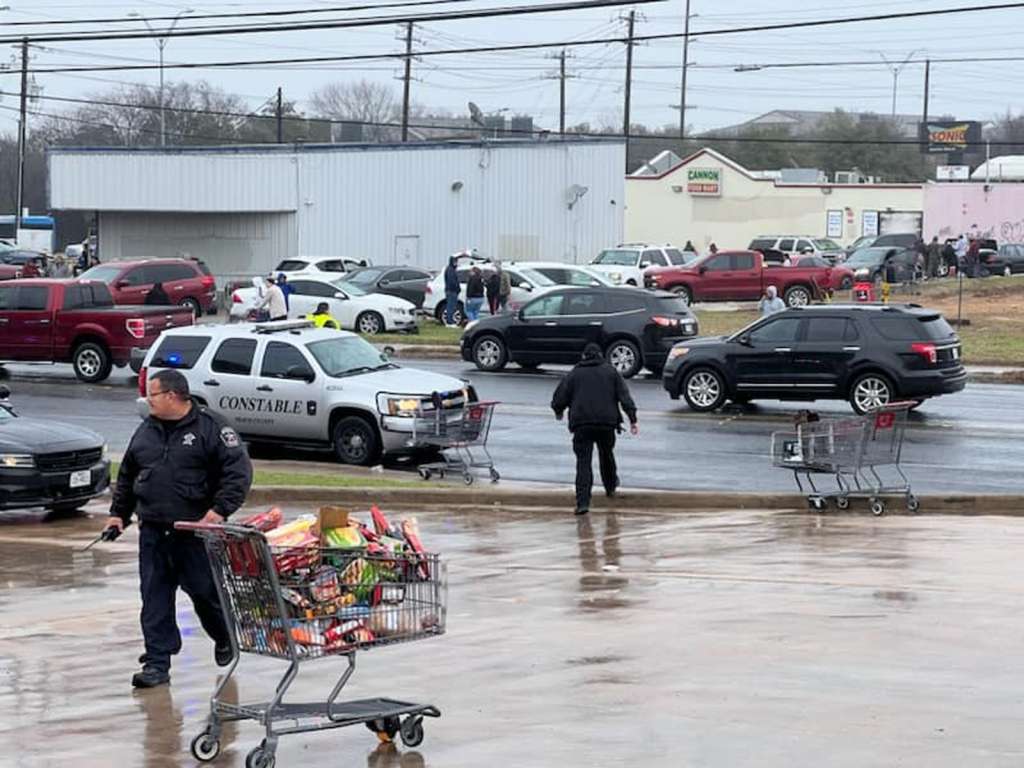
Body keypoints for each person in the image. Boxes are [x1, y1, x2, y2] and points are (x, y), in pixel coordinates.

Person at [101, 369, 253, 689]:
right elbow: (129, 474)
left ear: (172, 396)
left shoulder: (211, 427)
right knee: (154, 598)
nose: (147, 401)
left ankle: (224, 635)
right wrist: (118, 514)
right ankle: (157, 663)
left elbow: (237, 472)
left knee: (204, 593)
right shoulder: (147, 429)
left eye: (152, 395)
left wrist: (218, 512)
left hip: (194, 533)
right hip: (154, 531)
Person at [551, 343, 638, 516]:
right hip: (607, 423)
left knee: (583, 463)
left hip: (582, 425)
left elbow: (559, 398)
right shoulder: (611, 372)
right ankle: (611, 486)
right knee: (606, 455)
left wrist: (559, 411)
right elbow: (624, 397)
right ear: (601, 355)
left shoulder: (575, 373)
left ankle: (583, 503)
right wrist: (632, 419)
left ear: (584, 356)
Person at [443, 255, 460, 326]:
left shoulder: (452, 269)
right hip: (451, 291)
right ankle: (450, 322)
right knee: (450, 307)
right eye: (455, 261)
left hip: (452, 291)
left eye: (456, 261)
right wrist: (457, 288)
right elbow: (452, 282)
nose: (456, 263)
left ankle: (450, 321)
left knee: (452, 307)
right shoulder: (450, 270)